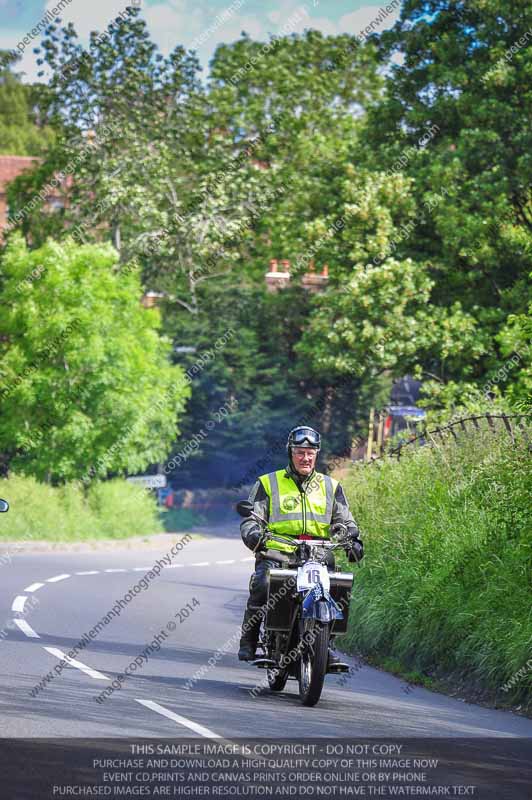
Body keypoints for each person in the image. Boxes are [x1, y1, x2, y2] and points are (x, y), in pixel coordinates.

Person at [238, 426, 364, 668]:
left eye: (310, 453)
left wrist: (351, 538)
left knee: (339, 588)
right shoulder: (269, 482)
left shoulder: (331, 487)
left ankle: (326, 645)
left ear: (316, 455)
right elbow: (251, 518)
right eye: (300, 452)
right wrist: (254, 534)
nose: (305, 458)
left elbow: (346, 521)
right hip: (278, 552)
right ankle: (250, 639)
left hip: (318, 556)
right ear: (290, 453)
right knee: (263, 584)